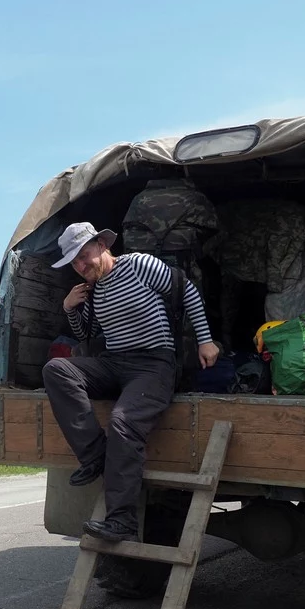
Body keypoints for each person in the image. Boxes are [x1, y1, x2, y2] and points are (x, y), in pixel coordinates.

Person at [42, 222, 219, 543]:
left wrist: (206, 340)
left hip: (154, 365)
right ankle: (96, 456)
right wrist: (69, 308)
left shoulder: (138, 265)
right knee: (56, 370)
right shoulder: (94, 290)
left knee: (122, 422)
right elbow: (85, 334)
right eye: (74, 262)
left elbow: (187, 290)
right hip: (115, 363)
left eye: (84, 256)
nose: (81, 266)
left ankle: (121, 521)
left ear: (101, 246)